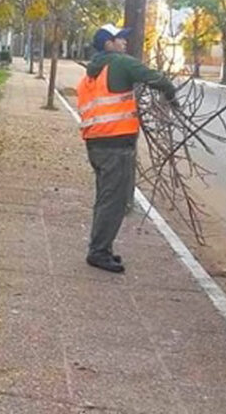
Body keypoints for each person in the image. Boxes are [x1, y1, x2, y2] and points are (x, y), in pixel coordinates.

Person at [77, 24, 176, 273]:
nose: (124, 43)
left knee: (105, 199)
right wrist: (170, 94)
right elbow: (154, 77)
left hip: (96, 144)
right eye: (120, 39)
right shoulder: (119, 63)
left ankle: (102, 248)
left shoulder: (93, 71)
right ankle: (99, 252)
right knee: (114, 202)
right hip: (116, 146)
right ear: (108, 43)